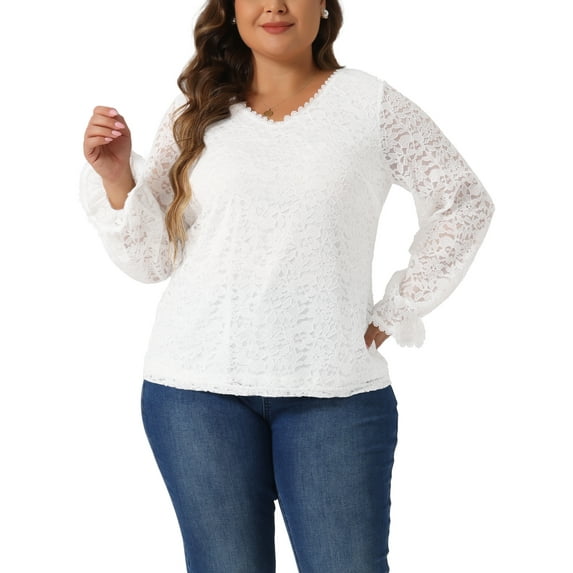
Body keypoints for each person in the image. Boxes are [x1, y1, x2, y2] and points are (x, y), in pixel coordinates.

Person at [79, 1, 495, 571]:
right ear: (231, 9)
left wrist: (398, 307)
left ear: (323, 4)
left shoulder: (370, 104)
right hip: (195, 391)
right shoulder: (195, 107)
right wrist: (116, 176)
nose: (274, 4)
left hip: (334, 390)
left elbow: (464, 202)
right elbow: (153, 260)